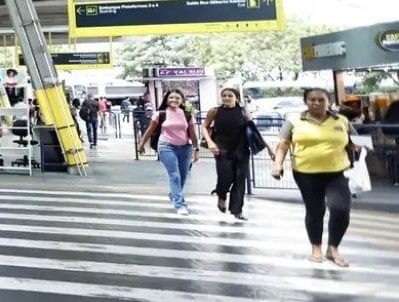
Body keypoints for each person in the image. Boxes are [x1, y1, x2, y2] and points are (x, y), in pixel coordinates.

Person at [272, 88, 360, 267]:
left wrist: (359, 146)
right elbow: (283, 145)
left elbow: (357, 142)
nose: (316, 103)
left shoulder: (341, 120)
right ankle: (316, 248)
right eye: (312, 99)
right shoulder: (294, 120)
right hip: (305, 173)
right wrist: (277, 164)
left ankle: (333, 248)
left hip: (337, 172)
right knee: (315, 210)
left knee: (341, 208)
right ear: (306, 101)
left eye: (321, 99)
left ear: (329, 102)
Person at [202, 87, 271, 221]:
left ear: (236, 98)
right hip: (222, 149)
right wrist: (210, 142)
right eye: (224, 95)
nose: (227, 98)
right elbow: (205, 126)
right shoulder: (215, 111)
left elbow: (254, 130)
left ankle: (237, 210)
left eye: (230, 95)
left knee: (240, 181)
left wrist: (269, 148)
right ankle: (221, 196)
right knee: (225, 178)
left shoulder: (243, 111)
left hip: (241, 150)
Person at [137, 89, 201, 215]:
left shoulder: (187, 115)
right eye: (171, 98)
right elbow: (150, 130)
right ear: (167, 99)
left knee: (182, 176)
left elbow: (193, 134)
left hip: (185, 147)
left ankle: (174, 194)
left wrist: (196, 149)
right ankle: (180, 204)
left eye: (177, 98)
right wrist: (142, 144)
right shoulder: (160, 114)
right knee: (174, 175)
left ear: (182, 100)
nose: (174, 100)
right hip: (166, 146)